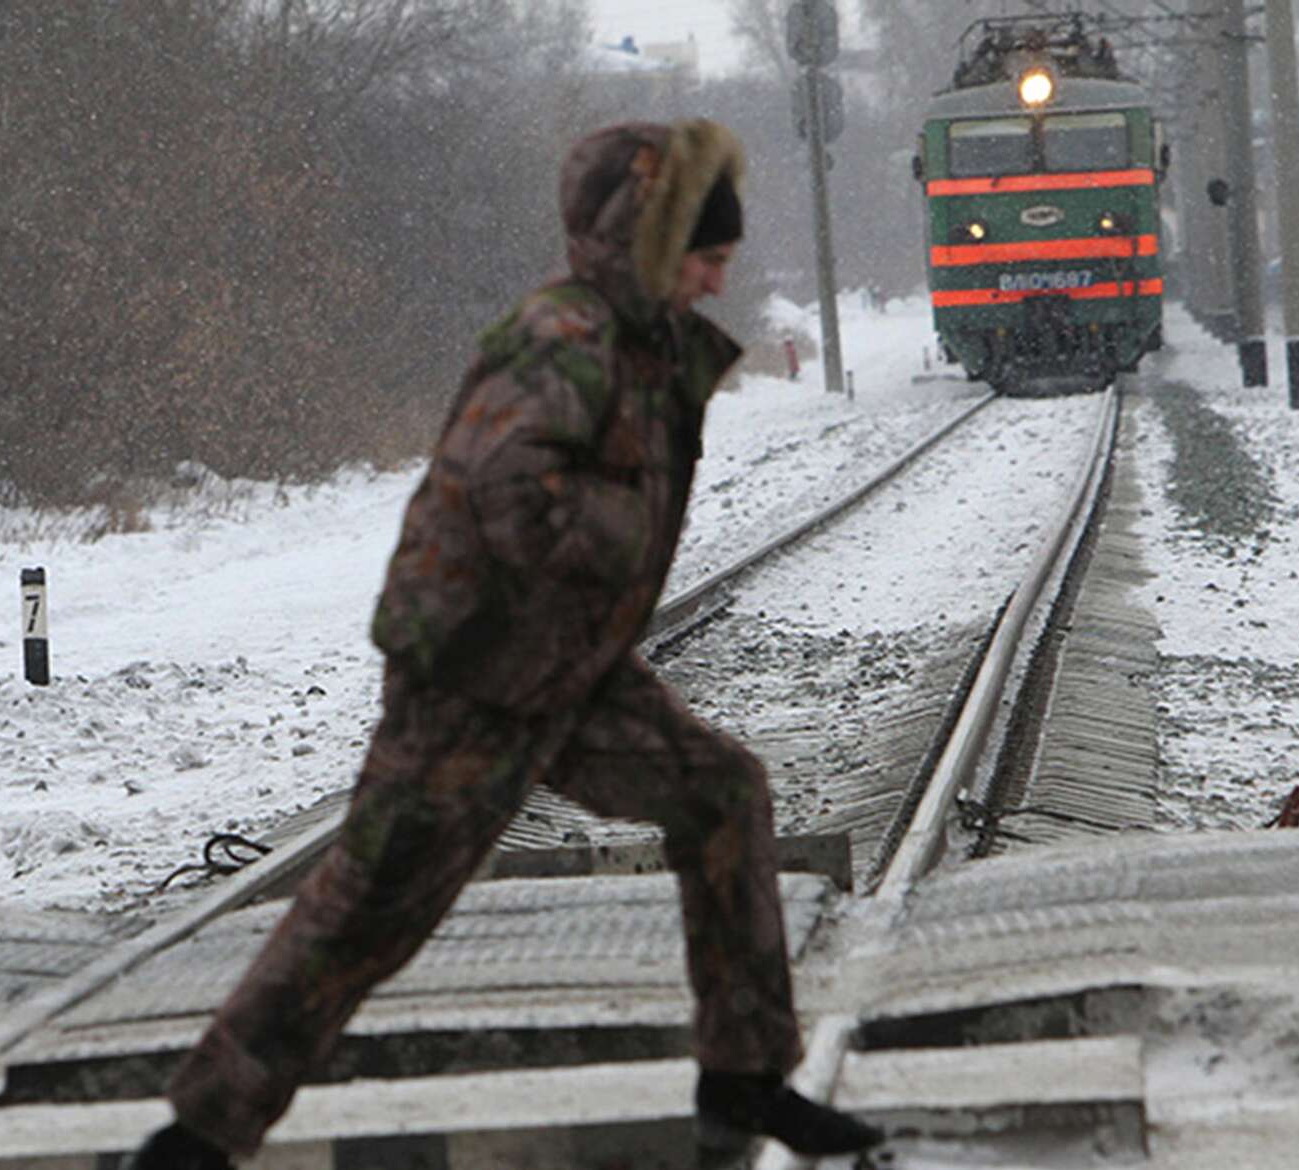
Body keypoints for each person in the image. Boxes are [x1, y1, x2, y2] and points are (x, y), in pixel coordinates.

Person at [131, 119, 885, 1170]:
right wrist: (609, 545)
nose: (718, 282)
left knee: (722, 793)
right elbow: (501, 491)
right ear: (658, 250)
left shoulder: (640, 343)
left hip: (567, 669)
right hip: (474, 678)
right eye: (706, 258)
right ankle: (194, 1143)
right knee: (366, 914)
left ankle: (743, 1079)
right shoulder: (561, 340)